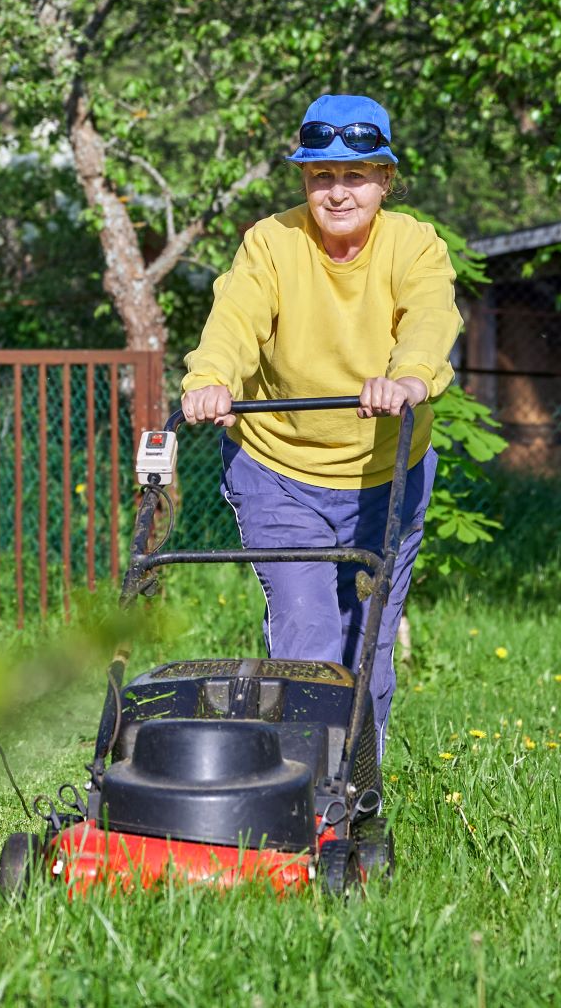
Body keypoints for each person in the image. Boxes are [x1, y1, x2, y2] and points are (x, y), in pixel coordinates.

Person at [178, 93, 461, 755]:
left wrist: (409, 377)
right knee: (307, 643)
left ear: (385, 179)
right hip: (279, 474)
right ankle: (301, 791)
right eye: (319, 176)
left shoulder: (414, 244)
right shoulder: (271, 243)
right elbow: (234, 319)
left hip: (386, 475)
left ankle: (357, 797)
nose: (336, 192)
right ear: (304, 180)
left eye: (354, 175)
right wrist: (209, 379)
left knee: (371, 653)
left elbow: (428, 318)